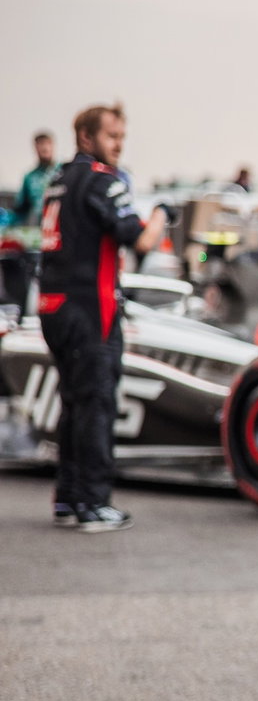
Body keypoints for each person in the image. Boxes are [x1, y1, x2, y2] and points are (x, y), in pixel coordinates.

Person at [35, 104, 169, 532]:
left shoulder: (58, 181)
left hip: (53, 308)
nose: (119, 145)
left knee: (74, 403)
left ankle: (68, 498)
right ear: (87, 137)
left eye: (122, 137)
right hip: (90, 310)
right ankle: (93, 503)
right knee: (96, 404)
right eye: (112, 136)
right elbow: (140, 239)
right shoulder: (102, 179)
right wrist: (164, 213)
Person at [12, 130, 58, 227]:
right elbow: (20, 209)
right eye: (41, 144)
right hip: (37, 226)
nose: (45, 148)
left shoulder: (64, 171)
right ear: (35, 148)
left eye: (47, 143)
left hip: (59, 224)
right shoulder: (30, 177)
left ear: (53, 146)